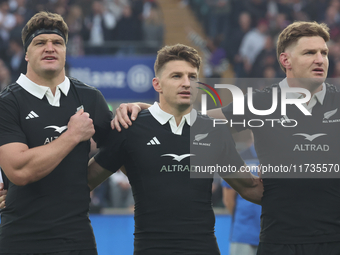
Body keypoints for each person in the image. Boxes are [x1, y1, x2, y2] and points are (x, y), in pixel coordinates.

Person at [113, 21, 340, 255]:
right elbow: (192, 122)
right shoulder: (262, 103)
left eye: (324, 52)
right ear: (285, 60)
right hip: (280, 240)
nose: (320, 59)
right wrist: (148, 111)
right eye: (310, 52)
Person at [87, 43, 263, 254]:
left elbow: (250, 187)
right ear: (157, 84)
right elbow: (85, 182)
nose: (186, 83)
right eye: (176, 76)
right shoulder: (130, 128)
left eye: (192, 76)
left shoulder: (214, 130)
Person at [0, 11, 112, 254]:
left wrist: (87, 180)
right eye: (40, 42)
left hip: (77, 237)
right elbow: (19, 170)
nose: (50, 47)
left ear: (65, 50)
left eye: (57, 42)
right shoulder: (7, 103)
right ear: (26, 53)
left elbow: (119, 150)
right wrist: (72, 135)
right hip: (20, 237)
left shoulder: (90, 98)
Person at [222, 133, 261, 255]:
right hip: (244, 234)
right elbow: (228, 200)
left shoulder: (280, 159)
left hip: (275, 235)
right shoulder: (239, 159)